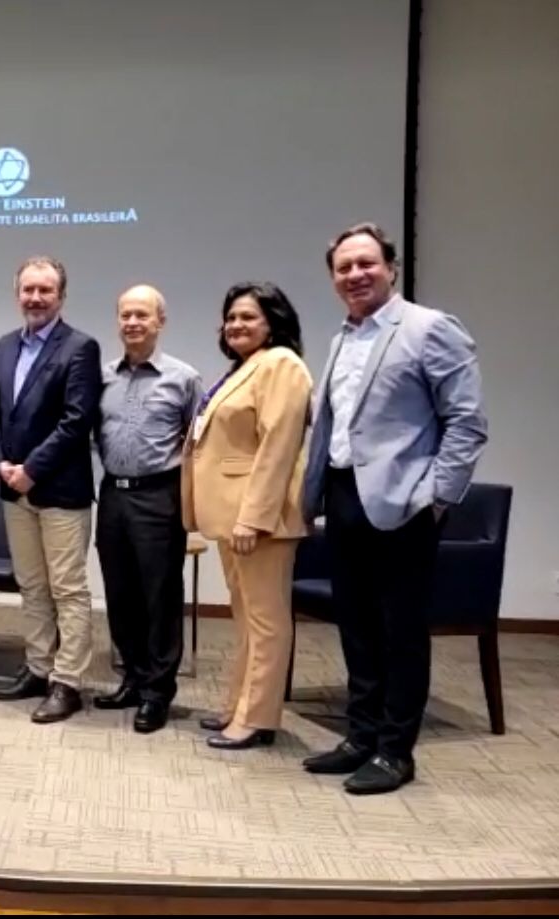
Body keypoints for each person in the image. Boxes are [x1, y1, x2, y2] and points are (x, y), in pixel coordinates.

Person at [301, 222, 487, 794]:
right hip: (344, 497)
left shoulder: (431, 329)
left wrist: (436, 498)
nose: (355, 275)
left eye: (366, 264)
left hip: (404, 505)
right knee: (356, 626)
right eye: (344, 268)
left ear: (391, 268)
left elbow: (467, 422)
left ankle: (395, 751)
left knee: (400, 631)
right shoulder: (342, 339)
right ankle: (361, 736)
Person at [182, 282, 312, 750]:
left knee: (266, 621)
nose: (236, 325)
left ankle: (257, 718)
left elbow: (278, 447)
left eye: (248, 317)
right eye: (231, 317)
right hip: (233, 516)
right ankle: (239, 706)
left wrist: (253, 517)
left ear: (273, 323)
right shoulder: (245, 367)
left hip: (260, 521)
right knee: (247, 618)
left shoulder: (282, 364)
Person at [0, 256, 101, 724]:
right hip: (14, 489)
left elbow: (77, 421)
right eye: (28, 289)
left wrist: (31, 469)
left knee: (67, 589)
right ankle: (37, 668)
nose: (35, 298)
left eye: (45, 290)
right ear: (17, 294)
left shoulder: (80, 347)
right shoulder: (5, 346)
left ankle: (67, 682)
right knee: (32, 586)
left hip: (60, 490)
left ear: (61, 296)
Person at [95, 285, 202, 734]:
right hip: (113, 495)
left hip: (159, 495)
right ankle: (134, 679)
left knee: (159, 596)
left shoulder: (184, 378)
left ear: (160, 321)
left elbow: (198, 444)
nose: (133, 323)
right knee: (120, 594)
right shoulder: (102, 376)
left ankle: (158, 692)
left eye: (142, 314)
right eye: (126, 315)